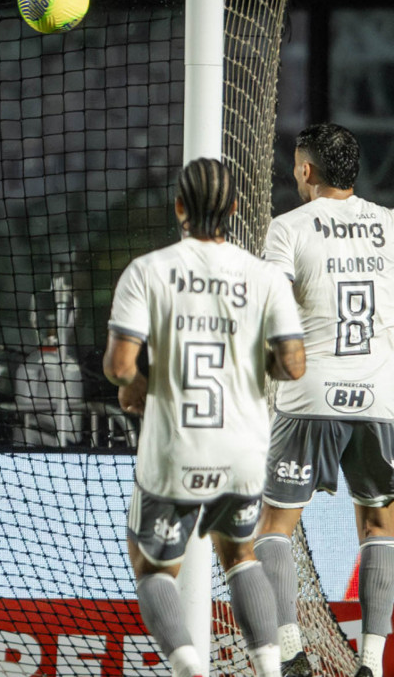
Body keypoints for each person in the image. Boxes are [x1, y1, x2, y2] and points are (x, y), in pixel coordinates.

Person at [104, 158, 306, 677]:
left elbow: (120, 367)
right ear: (236, 209)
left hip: (176, 450)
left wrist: (142, 388)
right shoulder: (263, 277)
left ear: (178, 208)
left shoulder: (147, 271)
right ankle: (268, 669)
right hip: (242, 451)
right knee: (240, 555)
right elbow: (291, 364)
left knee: (152, 564)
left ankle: (189, 667)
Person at [254, 124, 394, 677]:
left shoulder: (288, 228)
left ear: (306, 170)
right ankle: (371, 663)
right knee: (380, 529)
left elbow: (271, 313)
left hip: (308, 393)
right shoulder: (390, 225)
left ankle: (290, 652)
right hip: (381, 398)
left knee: (273, 526)